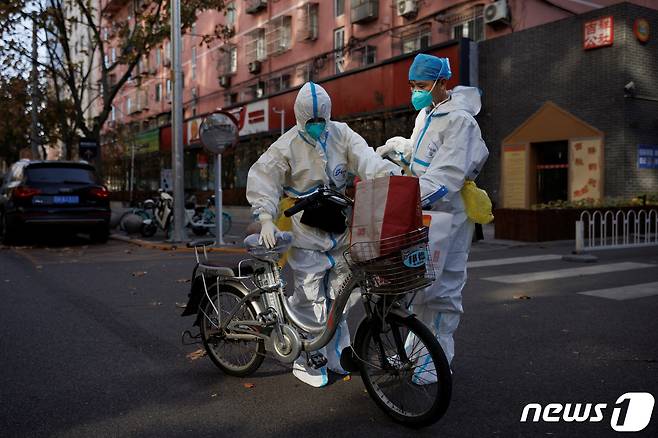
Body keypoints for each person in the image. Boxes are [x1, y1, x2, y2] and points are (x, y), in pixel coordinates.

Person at [247, 82, 400, 387]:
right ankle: (307, 358)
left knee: (342, 295)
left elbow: (366, 159)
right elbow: (265, 179)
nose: (317, 126)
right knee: (310, 296)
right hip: (306, 228)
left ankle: (337, 351)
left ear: (328, 116)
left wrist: (391, 178)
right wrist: (266, 218)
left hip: (340, 227)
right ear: (300, 118)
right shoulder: (286, 146)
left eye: (321, 120)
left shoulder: (342, 134)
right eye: (311, 121)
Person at [377, 54, 489, 374]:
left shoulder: (460, 121)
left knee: (444, 287)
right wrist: (392, 150)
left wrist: (401, 199)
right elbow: (418, 154)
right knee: (420, 284)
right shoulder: (427, 114)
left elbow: (445, 176)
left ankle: (436, 361)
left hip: (449, 212)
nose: (416, 92)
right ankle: (416, 351)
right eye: (412, 86)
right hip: (425, 212)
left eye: (422, 86)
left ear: (442, 83)